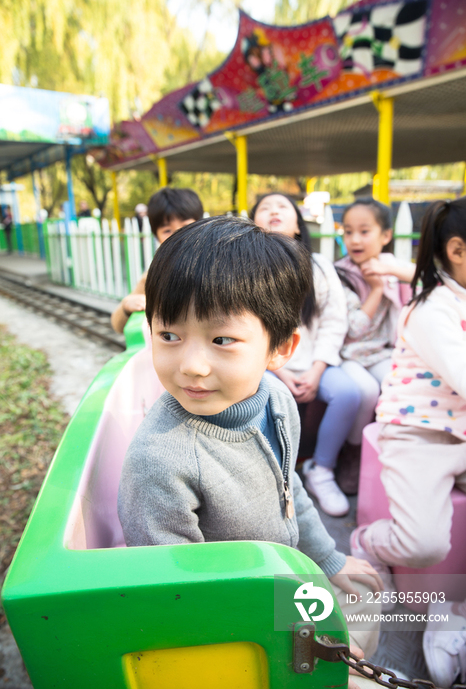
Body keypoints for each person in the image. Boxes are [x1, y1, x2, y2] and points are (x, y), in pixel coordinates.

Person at [118, 217, 382, 662]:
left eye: (222, 339)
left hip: (279, 581)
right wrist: (310, 639)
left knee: (370, 609)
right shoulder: (160, 461)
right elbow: (182, 598)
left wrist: (329, 559)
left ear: (281, 348)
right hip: (236, 632)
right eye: (169, 335)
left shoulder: (276, 398)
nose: (192, 365)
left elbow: (287, 487)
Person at [350, 198, 466, 593]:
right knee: (423, 546)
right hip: (418, 433)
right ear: (457, 251)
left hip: (461, 432)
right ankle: (366, 544)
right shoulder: (434, 309)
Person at [251, 193, 361, 517]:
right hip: (267, 365)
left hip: (314, 362)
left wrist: (316, 370)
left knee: (348, 393)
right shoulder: (244, 269)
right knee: (264, 397)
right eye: (264, 208)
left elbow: (333, 321)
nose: (273, 211)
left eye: (282, 206)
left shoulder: (319, 267)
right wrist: (278, 369)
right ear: (252, 223)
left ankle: (321, 469)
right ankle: (271, 479)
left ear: (298, 223)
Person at [334, 198, 415, 494]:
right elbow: (353, 331)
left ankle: (396, 457)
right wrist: (378, 288)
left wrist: (391, 274)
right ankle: (352, 455)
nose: (355, 239)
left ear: (385, 236)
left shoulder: (392, 267)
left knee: (396, 385)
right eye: (348, 231)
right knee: (367, 391)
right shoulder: (340, 274)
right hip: (349, 355)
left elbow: (428, 283)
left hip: (381, 351)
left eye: (364, 231)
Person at [110, 187, 203, 334]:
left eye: (187, 226)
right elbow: (117, 324)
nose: (178, 235)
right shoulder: (156, 276)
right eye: (167, 230)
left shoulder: (219, 266)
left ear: (203, 225)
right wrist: (127, 306)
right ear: (156, 236)